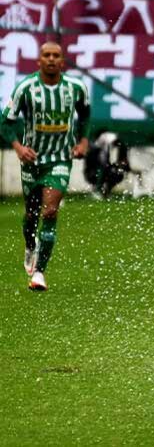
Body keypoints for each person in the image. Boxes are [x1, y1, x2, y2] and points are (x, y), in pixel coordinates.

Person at [0, 41, 90, 291]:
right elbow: (5, 122)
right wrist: (19, 148)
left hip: (60, 158)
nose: (51, 59)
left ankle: (39, 273)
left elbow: (85, 114)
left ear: (62, 62)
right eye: (46, 55)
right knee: (31, 214)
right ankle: (30, 245)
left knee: (50, 212)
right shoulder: (26, 88)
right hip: (32, 160)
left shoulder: (76, 88)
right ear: (39, 61)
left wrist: (82, 141)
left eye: (56, 56)